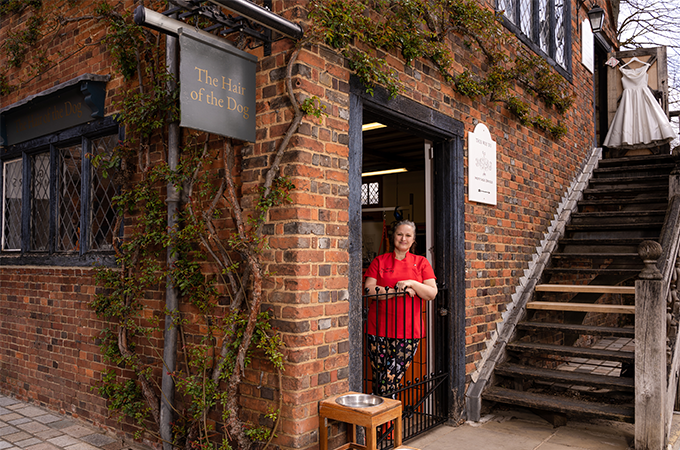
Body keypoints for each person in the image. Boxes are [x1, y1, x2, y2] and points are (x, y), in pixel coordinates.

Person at [364, 220, 438, 397]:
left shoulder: (421, 263)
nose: (403, 238)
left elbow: (431, 293)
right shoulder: (379, 261)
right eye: (399, 234)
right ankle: (386, 424)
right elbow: (369, 290)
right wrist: (400, 291)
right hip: (378, 330)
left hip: (409, 332)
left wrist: (412, 283)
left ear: (413, 240)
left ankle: (384, 422)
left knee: (388, 380)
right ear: (393, 236)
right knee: (380, 378)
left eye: (408, 235)